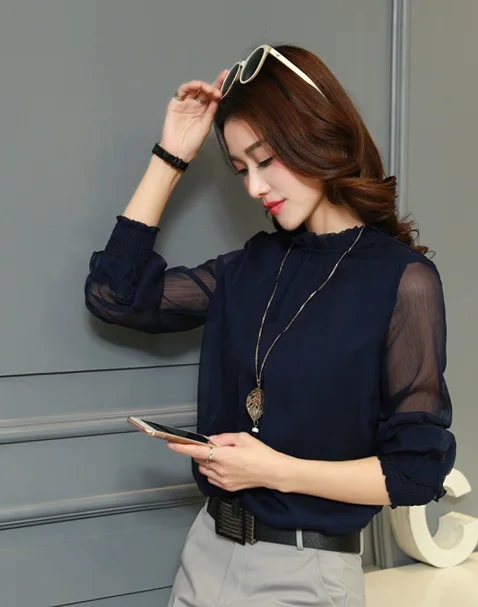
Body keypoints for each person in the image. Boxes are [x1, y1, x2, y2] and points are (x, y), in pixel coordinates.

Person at [84, 44, 456, 607]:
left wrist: (273, 470)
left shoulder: (403, 281)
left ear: (319, 137)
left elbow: (414, 474)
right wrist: (172, 155)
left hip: (306, 573)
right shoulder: (252, 265)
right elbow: (115, 296)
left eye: (265, 160)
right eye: (240, 169)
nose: (254, 187)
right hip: (206, 553)